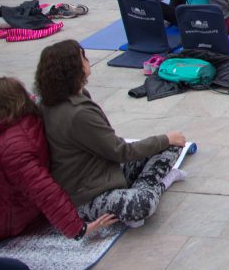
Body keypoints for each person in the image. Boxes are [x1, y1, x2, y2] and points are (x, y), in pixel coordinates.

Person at [0, 77, 116, 248]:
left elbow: (45, 191)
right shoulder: (16, 120)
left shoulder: (13, 148)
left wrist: (79, 229)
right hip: (1, 191)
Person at [38, 41, 187, 226]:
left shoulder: (65, 99)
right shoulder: (77, 113)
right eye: (83, 57)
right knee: (142, 203)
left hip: (105, 170)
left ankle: (140, 190)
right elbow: (120, 151)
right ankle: (158, 186)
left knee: (171, 145)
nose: (87, 60)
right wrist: (164, 139)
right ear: (73, 68)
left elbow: (112, 149)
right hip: (87, 195)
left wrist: (165, 141)